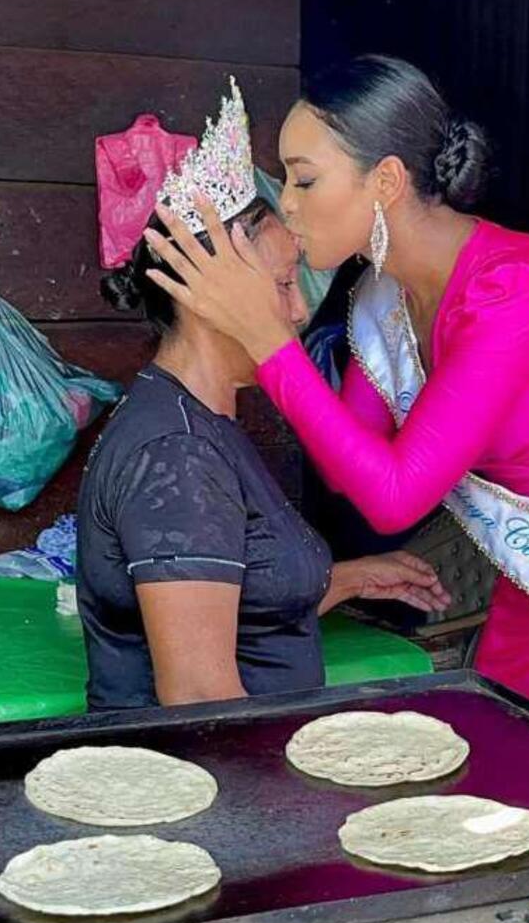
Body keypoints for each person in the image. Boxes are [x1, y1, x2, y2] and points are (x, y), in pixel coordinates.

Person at [142, 56, 529, 777]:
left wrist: (267, 340)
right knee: (493, 805)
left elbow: (396, 493)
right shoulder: (382, 296)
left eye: (304, 180)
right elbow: (352, 476)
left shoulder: (514, 288)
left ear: (385, 181)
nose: (289, 207)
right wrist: (257, 334)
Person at [76, 79, 449, 712]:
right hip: (208, 769)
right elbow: (200, 699)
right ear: (208, 297)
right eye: (281, 286)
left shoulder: (198, 421)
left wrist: (348, 580)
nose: (300, 311)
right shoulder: (176, 455)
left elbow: (235, 598)